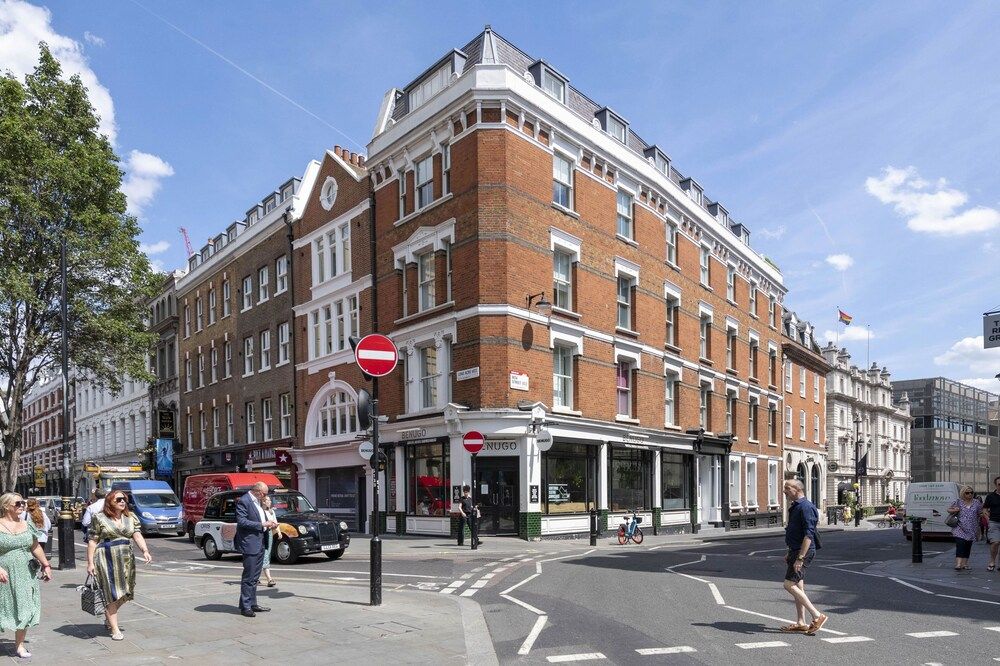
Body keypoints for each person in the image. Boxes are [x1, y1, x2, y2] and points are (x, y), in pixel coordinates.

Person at [86, 490, 152, 640]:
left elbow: (136, 534)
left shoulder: (130, 517)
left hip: (126, 557)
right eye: (119, 499)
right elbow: (92, 541)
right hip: (107, 558)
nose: (123, 502)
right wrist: (90, 563)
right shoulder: (100, 518)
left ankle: (109, 612)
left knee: (126, 592)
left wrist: (145, 550)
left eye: (124, 499)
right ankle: (115, 629)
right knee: (112, 593)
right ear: (110, 502)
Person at [0, 492, 53, 659]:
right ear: (6, 506)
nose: (22, 505)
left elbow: (35, 547)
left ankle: (20, 645)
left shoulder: (27, 524)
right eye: (18, 503)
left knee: (25, 607)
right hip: (4, 572)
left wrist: (46, 565)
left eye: (22, 502)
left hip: (25, 572)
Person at [779, 479, 827, 636]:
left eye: (787, 488)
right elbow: (797, 532)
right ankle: (801, 622)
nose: (784, 491)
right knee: (798, 586)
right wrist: (791, 552)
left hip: (803, 552)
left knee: (789, 585)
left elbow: (808, 534)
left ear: (797, 489)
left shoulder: (806, 507)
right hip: (796, 550)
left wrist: (800, 557)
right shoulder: (796, 506)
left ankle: (817, 615)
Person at [235, 481, 277, 617]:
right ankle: (245, 607)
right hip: (250, 544)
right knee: (248, 577)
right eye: (264, 494)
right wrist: (262, 524)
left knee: (255, 577)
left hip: (260, 543)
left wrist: (269, 524)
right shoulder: (244, 501)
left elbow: (260, 518)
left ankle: (252, 604)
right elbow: (242, 521)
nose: (265, 496)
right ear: (258, 491)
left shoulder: (258, 502)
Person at [947, 485, 983, 571]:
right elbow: (948, 509)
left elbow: (980, 513)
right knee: (961, 544)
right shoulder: (958, 502)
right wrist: (955, 510)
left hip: (972, 528)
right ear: (963, 493)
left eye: (971, 493)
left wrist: (984, 516)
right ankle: (958, 564)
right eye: (967, 493)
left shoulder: (976, 502)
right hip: (959, 527)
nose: (970, 494)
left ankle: (965, 564)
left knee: (967, 546)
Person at [260, 494, 277, 588]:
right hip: (262, 534)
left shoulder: (271, 512)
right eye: (268, 500)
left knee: (267, 554)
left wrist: (276, 528)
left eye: (270, 500)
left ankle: (256, 578)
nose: (270, 502)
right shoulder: (260, 511)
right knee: (265, 554)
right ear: (263, 501)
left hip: (269, 533)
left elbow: (274, 522)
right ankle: (269, 579)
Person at [984, 476, 1000, 571]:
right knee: (995, 542)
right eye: (999, 484)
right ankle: (992, 561)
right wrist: (987, 518)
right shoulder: (990, 496)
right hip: (994, 522)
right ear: (996, 485)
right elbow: (985, 508)